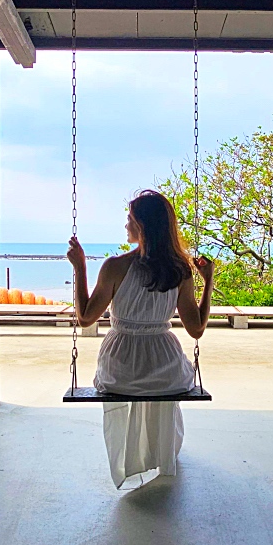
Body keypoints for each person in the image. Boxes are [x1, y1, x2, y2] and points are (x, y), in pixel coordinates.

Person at [67, 189, 213, 489]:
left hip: (119, 371)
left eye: (130, 219)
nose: (126, 226)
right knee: (166, 388)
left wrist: (80, 268)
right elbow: (196, 329)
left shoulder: (115, 266)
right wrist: (208, 281)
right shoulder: (181, 270)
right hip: (166, 372)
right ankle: (160, 453)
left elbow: (84, 318)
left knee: (130, 380)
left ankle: (132, 459)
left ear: (143, 226)